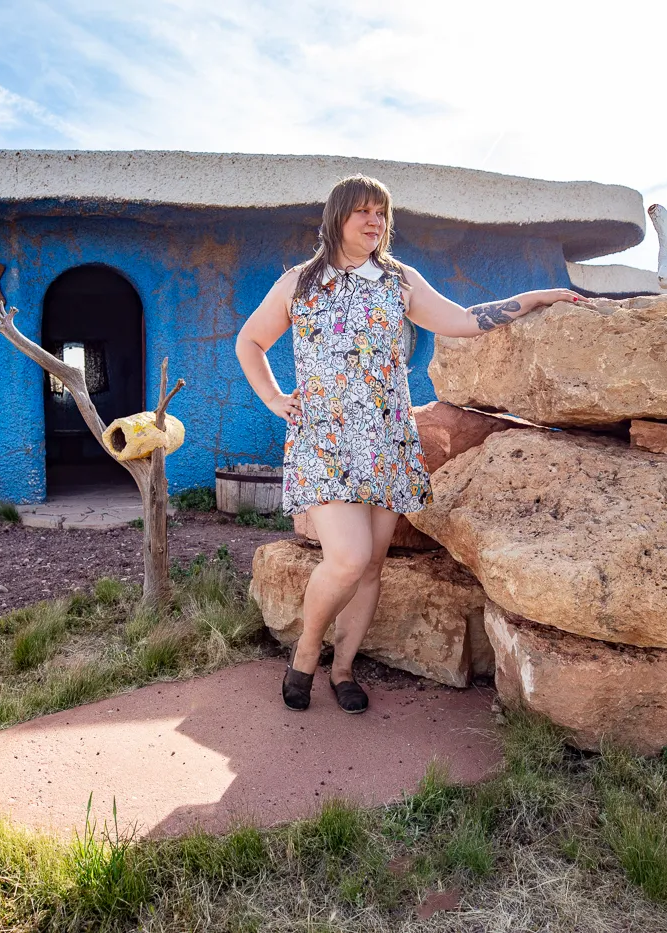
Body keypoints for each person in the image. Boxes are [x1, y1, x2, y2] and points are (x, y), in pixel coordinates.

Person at [236, 174, 592, 713]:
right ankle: (306, 651)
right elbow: (250, 341)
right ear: (338, 218)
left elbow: (466, 320)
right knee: (348, 558)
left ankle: (344, 668)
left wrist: (535, 297)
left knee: (373, 565)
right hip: (327, 441)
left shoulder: (399, 281)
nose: (375, 221)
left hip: (386, 439)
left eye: (381, 212)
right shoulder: (299, 284)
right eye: (363, 211)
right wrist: (273, 397)